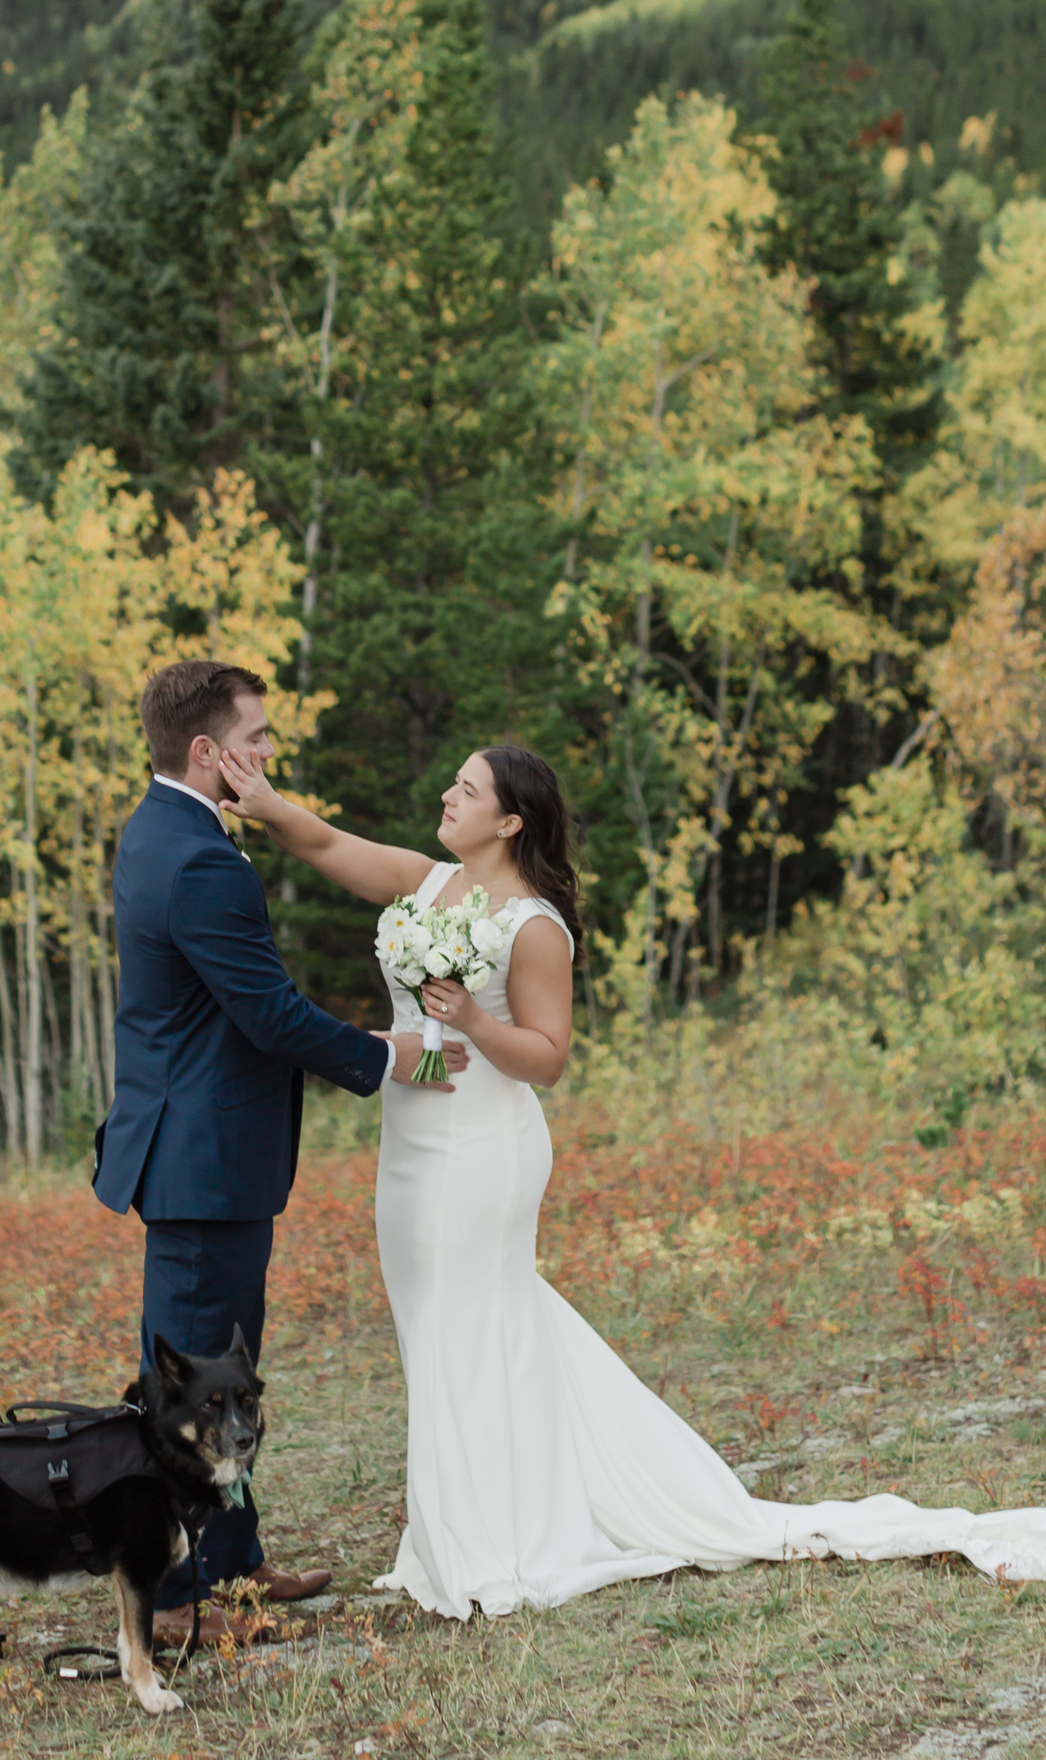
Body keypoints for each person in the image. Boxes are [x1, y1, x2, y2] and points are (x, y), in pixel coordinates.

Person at [220, 740, 1046, 1619]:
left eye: (467, 789)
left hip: (485, 1147)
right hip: (413, 1142)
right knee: (436, 1324)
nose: (448, 795)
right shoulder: (427, 884)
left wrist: (466, 1018)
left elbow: (547, 1058)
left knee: (472, 1317)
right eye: (453, 782)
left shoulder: (533, 924)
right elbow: (327, 845)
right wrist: (266, 802)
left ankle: (488, 1539)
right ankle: (457, 1521)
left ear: (508, 821)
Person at [94, 659, 467, 1644]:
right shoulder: (200, 859)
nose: (269, 753)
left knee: (225, 1373)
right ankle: (172, 1607)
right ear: (207, 750)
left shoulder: (158, 828)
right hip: (201, 1160)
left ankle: (233, 1561)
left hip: (196, 1151)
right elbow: (268, 1014)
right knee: (186, 1393)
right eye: (256, 738)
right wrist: (396, 1058)